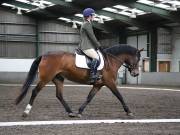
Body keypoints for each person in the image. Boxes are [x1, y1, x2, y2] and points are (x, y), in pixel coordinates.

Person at [79, 8, 102, 84]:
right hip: (86, 46)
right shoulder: (87, 24)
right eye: (93, 15)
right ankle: (92, 75)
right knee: (96, 57)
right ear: (89, 16)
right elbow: (92, 37)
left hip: (86, 45)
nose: (94, 17)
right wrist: (98, 46)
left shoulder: (85, 23)